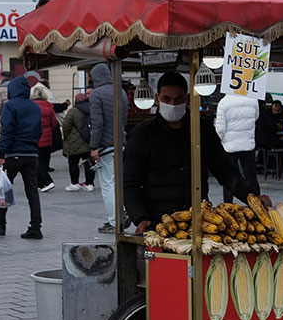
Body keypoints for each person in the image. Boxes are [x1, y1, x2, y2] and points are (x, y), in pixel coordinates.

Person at [124, 71, 267, 231]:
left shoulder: (203, 129)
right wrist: (140, 217)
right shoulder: (142, 135)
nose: (172, 104)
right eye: (166, 99)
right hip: (157, 221)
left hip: (198, 220)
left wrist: (251, 196)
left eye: (178, 99)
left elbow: (225, 171)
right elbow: (129, 183)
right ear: (157, 99)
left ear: (187, 98)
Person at [0, 75, 43, 239]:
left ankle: (0, 224)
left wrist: (1, 153)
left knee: (2, 188)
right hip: (31, 154)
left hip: (12, 154)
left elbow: (7, 130)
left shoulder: (11, 106)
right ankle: (36, 227)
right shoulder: (35, 106)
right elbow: (39, 130)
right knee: (32, 192)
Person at [89, 62, 128, 233]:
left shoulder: (96, 94)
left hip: (105, 147)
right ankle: (122, 211)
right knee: (119, 183)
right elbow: (124, 119)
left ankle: (114, 221)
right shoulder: (121, 91)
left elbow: (97, 123)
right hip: (120, 144)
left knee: (107, 185)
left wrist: (94, 147)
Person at [215, 93, 261, 204]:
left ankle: (228, 205)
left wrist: (218, 142)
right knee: (251, 177)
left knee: (229, 177)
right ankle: (256, 204)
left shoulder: (224, 102)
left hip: (229, 146)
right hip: (248, 144)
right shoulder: (253, 99)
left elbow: (220, 128)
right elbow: (255, 117)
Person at [62, 93, 95, 192]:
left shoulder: (73, 111)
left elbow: (66, 126)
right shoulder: (93, 109)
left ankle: (74, 184)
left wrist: (66, 138)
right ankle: (89, 184)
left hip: (74, 141)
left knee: (73, 163)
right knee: (89, 163)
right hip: (89, 140)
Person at [31, 84, 59, 193]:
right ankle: (40, 184)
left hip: (35, 137)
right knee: (43, 160)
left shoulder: (31, 106)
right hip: (47, 136)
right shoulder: (49, 106)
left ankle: (48, 181)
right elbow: (54, 122)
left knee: (37, 161)